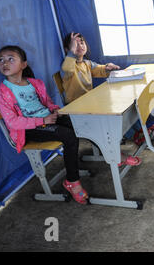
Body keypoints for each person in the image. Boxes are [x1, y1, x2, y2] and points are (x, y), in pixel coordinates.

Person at [0, 45, 89, 205]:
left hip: (47, 119)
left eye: (11, 59)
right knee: (68, 135)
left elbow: (48, 103)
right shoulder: (1, 91)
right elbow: (12, 122)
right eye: (1, 60)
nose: (5, 63)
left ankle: (77, 162)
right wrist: (42, 121)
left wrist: (55, 111)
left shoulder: (35, 83)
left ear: (23, 64)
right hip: (28, 129)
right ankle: (72, 181)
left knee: (78, 123)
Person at [61, 32, 142, 166]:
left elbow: (99, 69)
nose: (79, 46)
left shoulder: (86, 63)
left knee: (121, 108)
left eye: (81, 42)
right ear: (67, 50)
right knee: (103, 124)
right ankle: (115, 155)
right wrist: (71, 53)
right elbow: (66, 68)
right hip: (76, 110)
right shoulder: (68, 67)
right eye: (75, 44)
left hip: (90, 104)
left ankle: (136, 134)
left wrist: (108, 68)